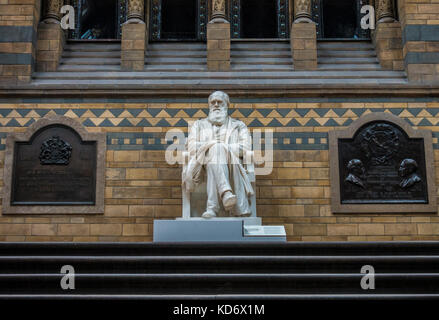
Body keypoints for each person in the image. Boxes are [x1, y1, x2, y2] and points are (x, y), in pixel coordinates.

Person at [183, 91, 254, 218]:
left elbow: (245, 146)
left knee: (217, 151)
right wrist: (212, 145)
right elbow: (191, 146)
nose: (216, 104)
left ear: (227, 105)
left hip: (230, 162)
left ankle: (212, 208)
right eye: (213, 102)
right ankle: (226, 193)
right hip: (202, 164)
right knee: (216, 148)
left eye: (219, 102)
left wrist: (223, 148)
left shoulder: (238, 126)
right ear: (209, 105)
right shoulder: (198, 125)